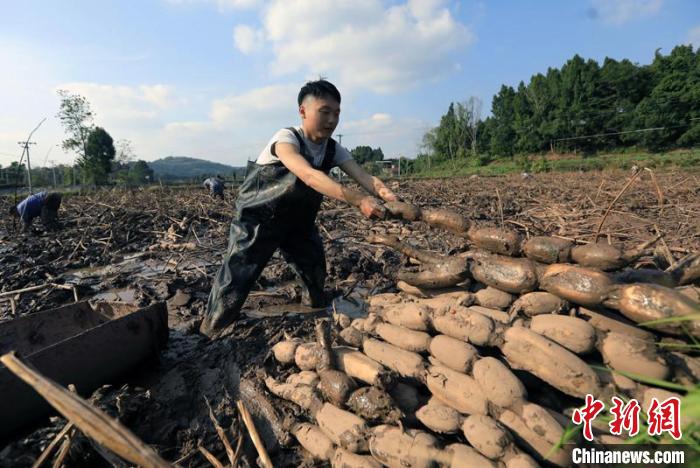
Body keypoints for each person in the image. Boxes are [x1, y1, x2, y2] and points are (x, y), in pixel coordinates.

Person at [200, 79, 397, 336]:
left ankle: (312, 313)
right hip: (259, 220)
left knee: (315, 273)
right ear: (303, 111)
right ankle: (211, 330)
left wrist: (391, 198)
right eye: (324, 112)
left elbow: (365, 177)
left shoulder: (333, 149)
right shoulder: (286, 139)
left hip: (298, 223)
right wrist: (359, 200)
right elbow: (309, 176)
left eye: (336, 113)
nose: (331, 120)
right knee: (237, 276)